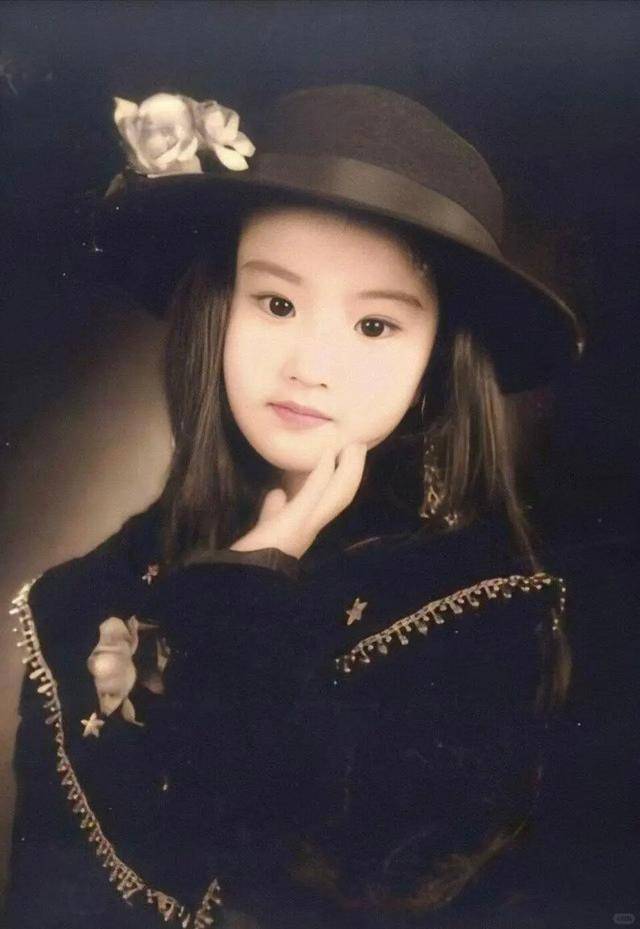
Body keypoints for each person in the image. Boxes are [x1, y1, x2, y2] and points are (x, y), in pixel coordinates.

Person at [5, 84, 584, 929]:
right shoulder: (76, 605)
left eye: (375, 326)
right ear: (218, 308)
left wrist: (249, 594)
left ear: (437, 360)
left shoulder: (482, 616)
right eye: (276, 304)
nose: (310, 365)